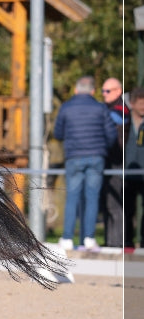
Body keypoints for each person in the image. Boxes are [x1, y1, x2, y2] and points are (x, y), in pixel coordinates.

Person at [53, 75, 118, 251]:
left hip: (73, 157)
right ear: (93, 91)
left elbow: (58, 133)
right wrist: (102, 148)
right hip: (96, 157)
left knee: (72, 197)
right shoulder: (100, 108)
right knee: (92, 197)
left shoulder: (66, 108)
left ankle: (67, 237)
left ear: (75, 90)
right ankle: (89, 238)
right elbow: (111, 135)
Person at [100, 77, 129, 247]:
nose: (104, 94)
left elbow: (112, 120)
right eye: (103, 91)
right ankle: (110, 242)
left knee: (115, 204)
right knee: (106, 204)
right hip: (107, 162)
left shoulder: (120, 109)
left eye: (107, 91)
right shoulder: (106, 109)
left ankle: (117, 244)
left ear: (118, 91)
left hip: (117, 162)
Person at [124, 88, 144, 250]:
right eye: (140, 103)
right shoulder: (124, 122)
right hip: (127, 172)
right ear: (132, 104)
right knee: (127, 210)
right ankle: (127, 242)